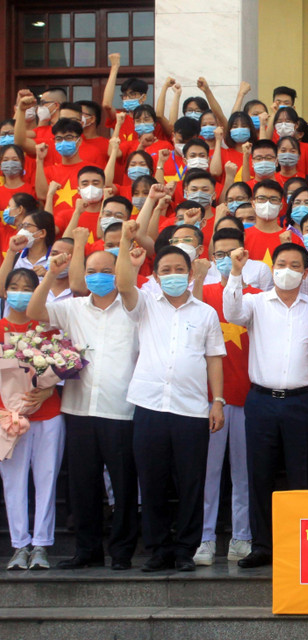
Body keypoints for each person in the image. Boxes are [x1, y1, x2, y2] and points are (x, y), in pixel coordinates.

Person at [116, 220, 226, 572]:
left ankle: (184, 551)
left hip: (192, 409)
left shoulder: (206, 313)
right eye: (166, 270)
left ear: (191, 273)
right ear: (156, 275)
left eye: (179, 269)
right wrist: (127, 252)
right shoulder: (145, 304)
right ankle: (159, 548)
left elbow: (214, 358)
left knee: (191, 482)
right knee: (152, 481)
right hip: (150, 406)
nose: (173, 274)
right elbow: (123, 285)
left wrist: (218, 401)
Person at [26, 249, 139, 571]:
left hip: (121, 409)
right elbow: (34, 311)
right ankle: (87, 550)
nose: (98, 276)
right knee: (82, 485)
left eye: (106, 270)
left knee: (124, 486)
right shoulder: (72, 308)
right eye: (91, 270)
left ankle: (122, 552)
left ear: (117, 274)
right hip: (79, 409)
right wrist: (51, 274)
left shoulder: (134, 308)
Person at [223, 242, 308, 569]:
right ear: (272, 268)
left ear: (305, 273)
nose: (287, 271)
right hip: (262, 400)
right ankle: (263, 545)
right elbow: (231, 313)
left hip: (302, 402)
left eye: (295, 265)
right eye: (281, 264)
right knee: (260, 475)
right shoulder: (255, 302)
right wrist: (236, 272)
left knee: (302, 477)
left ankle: (301, 547)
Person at [192, 228, 256, 566]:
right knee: (207, 472)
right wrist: (197, 280)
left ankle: (241, 536)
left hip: (247, 397)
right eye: (220, 254)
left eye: (233, 253)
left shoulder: (257, 296)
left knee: (243, 473)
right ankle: (204, 538)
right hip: (208, 398)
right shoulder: (201, 293)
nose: (227, 259)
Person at [0, 268, 63, 571]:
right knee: (14, 483)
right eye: (14, 287)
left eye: (28, 288)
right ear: (5, 291)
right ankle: (19, 544)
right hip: (8, 418)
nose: (20, 293)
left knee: (46, 480)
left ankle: (41, 544)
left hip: (48, 416)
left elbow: (67, 366)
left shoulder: (47, 329)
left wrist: (49, 388)